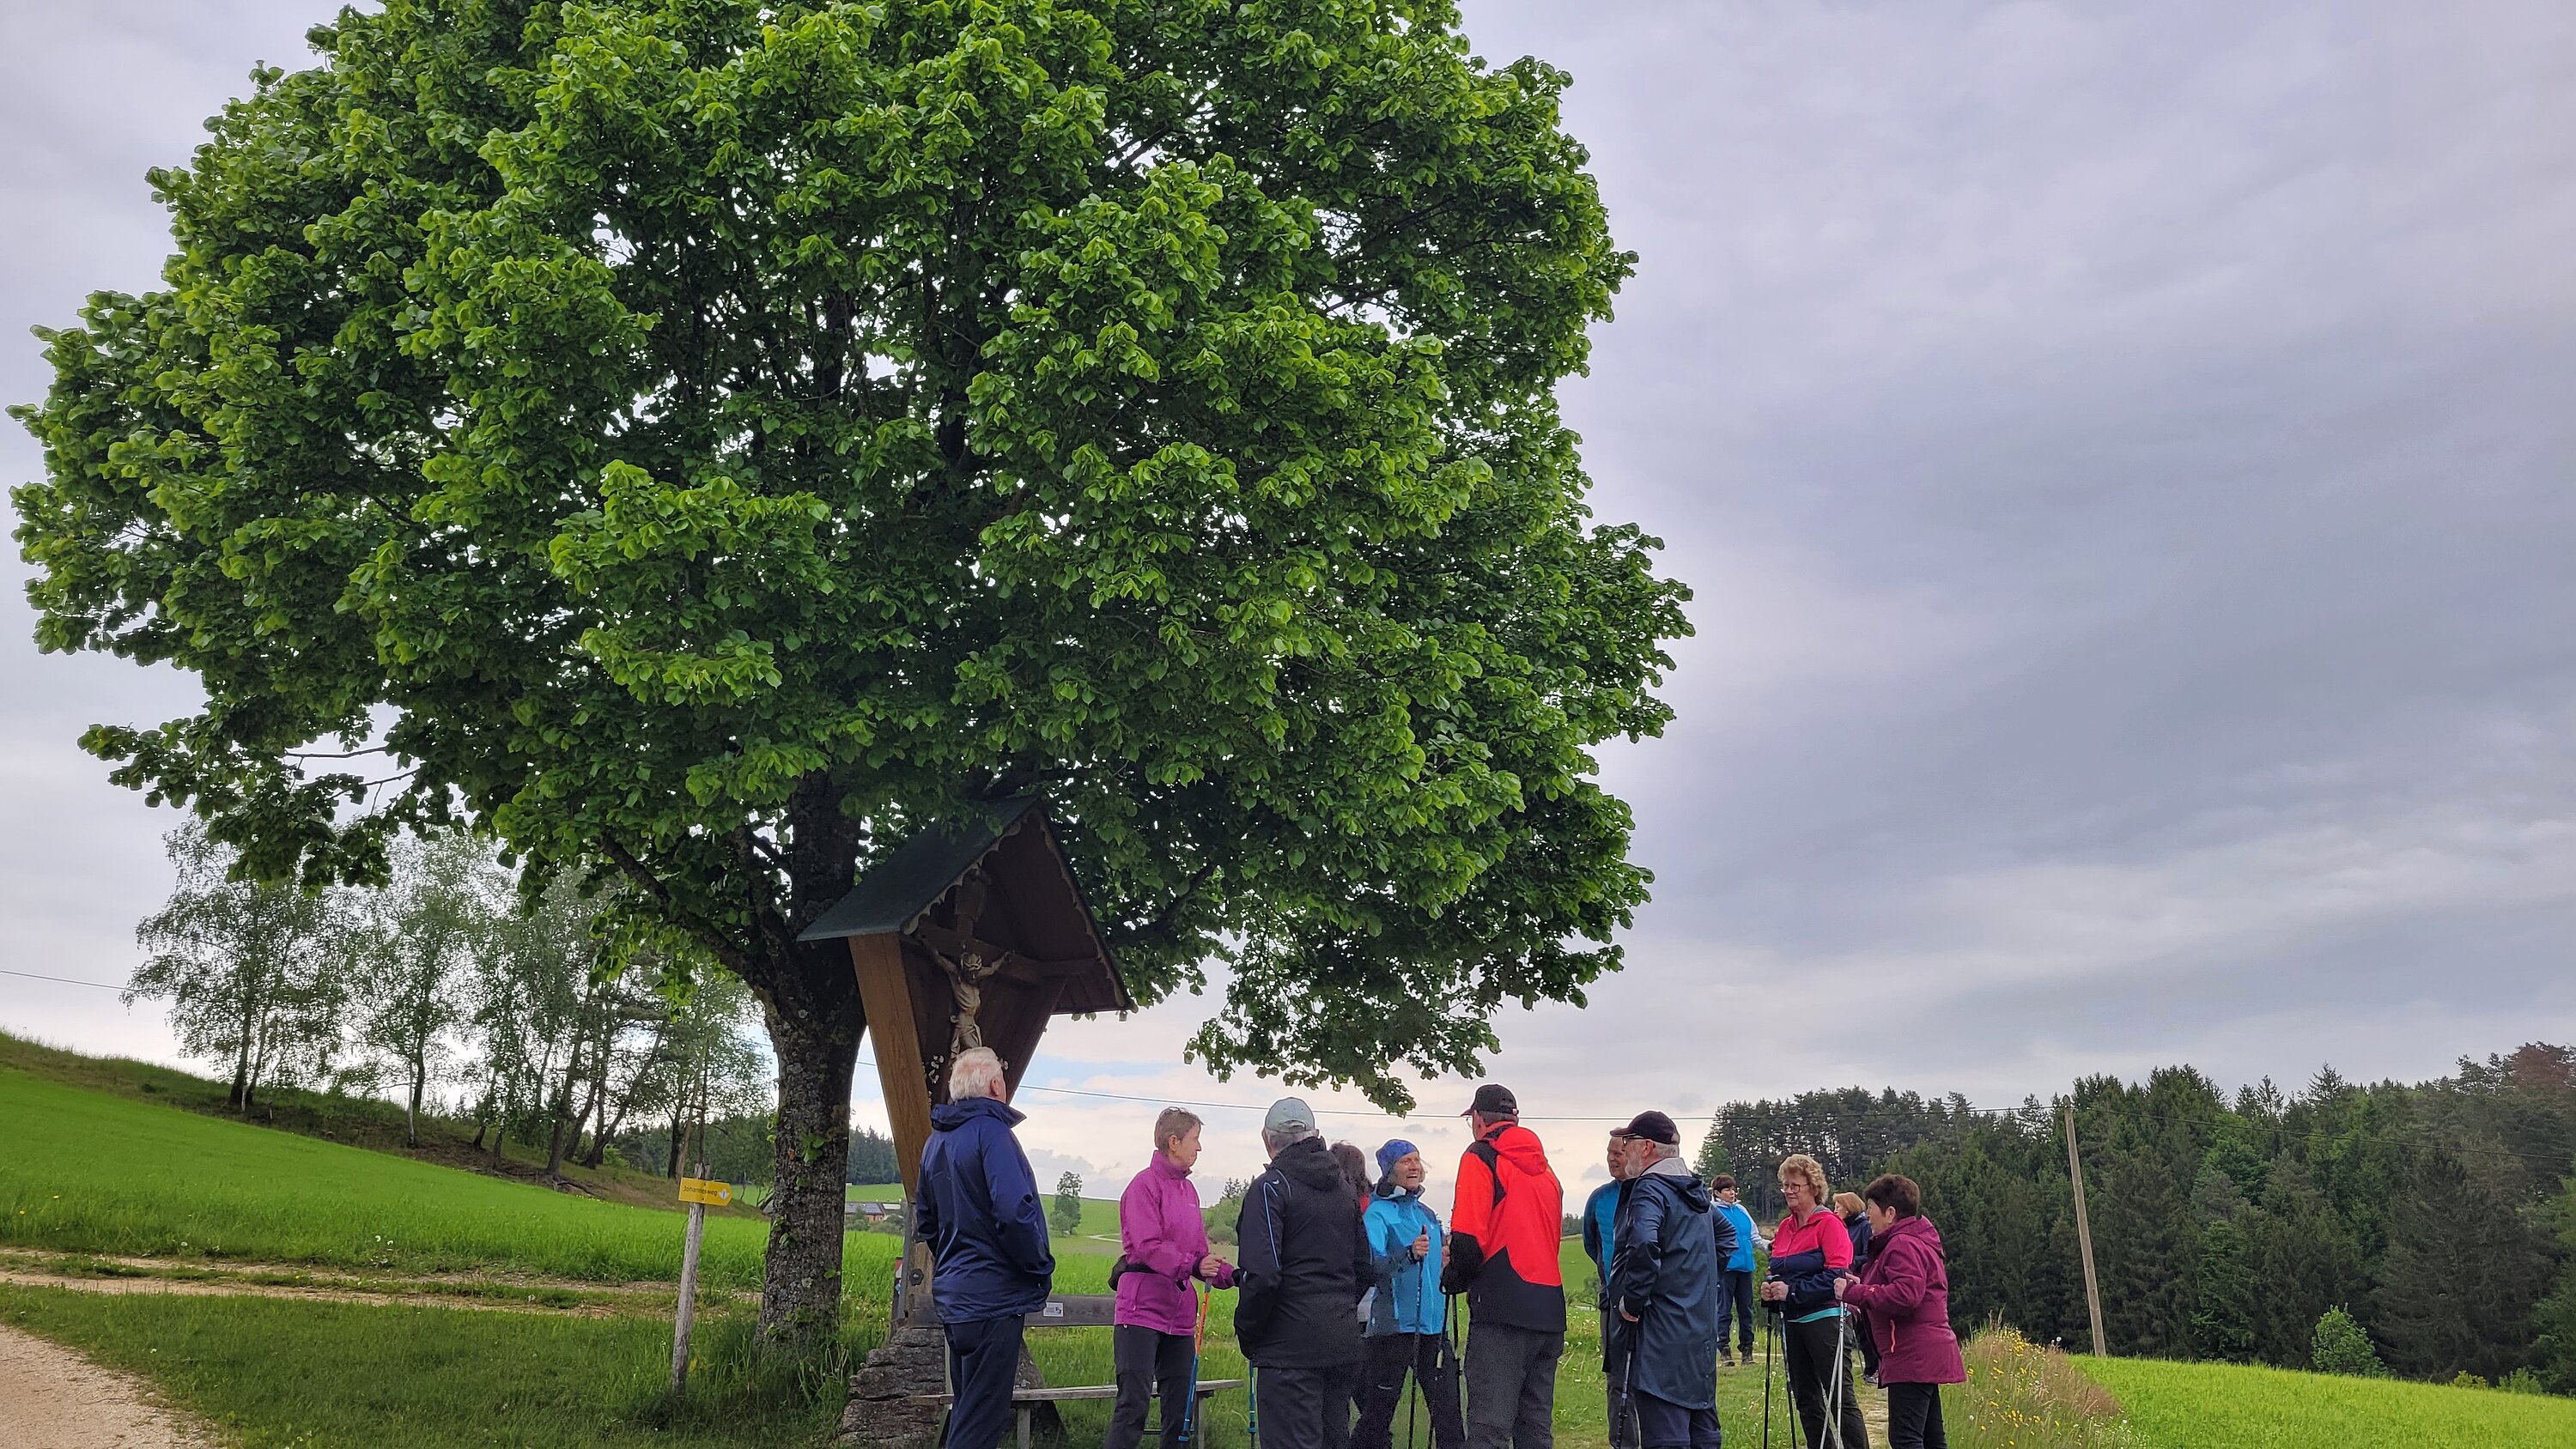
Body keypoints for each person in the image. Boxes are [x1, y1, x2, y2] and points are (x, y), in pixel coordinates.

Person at [914, 1047, 1055, 1449]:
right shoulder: (993, 1134)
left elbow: (927, 1221)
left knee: (968, 1411)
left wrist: (956, 1261)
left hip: (956, 1298)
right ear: (995, 1085)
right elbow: (1013, 1211)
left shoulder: (935, 1143)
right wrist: (1037, 1266)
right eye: (1003, 1079)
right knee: (981, 1424)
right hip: (993, 1298)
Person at [1236, 1098, 1370, 1449]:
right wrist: (1337, 1309)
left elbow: (1262, 1275)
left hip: (1287, 1350)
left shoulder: (1270, 1188)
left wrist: (1249, 1332)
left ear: (1268, 1140)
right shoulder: (1344, 1190)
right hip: (1340, 1343)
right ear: (1315, 1135)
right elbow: (1365, 1266)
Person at [1440, 1082, 1566, 1449]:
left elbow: (1468, 1239)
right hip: (1549, 1309)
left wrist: (1453, 1277)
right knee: (1535, 1430)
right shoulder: (1546, 1171)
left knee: (1489, 1430)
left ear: (1478, 1119)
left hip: (1502, 1309)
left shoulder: (1480, 1156)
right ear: (1515, 1119)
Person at [1109, 1107, 1236, 1449]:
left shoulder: (1189, 1191)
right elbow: (1148, 1247)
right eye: (1195, 1139)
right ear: (1173, 1141)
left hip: (1179, 1318)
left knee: (1180, 1413)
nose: (1199, 1147)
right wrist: (1193, 1266)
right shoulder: (1143, 1186)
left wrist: (1236, 1275)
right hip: (1140, 1311)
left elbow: (1200, 1252)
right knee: (1133, 1407)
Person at [1607, 1112, 1732, 1449]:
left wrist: (1632, 1302)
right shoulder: (1694, 1192)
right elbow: (1727, 1237)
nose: (1625, 1150)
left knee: (1666, 1433)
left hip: (1661, 1332)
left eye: (1629, 1142)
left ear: (1647, 1147)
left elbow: (1644, 1244)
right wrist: (1697, 1278)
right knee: (1703, 1431)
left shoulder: (1650, 1188)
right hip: (1698, 1328)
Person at [1836, 1174, 1965, 1449]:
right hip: (1924, 1352)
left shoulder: (1902, 1243)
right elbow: (1902, 1285)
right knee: (1930, 1439)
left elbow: (1907, 1295)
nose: (1867, 1215)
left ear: (1890, 1213)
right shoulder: (1914, 1240)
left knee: (1905, 1438)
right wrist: (1862, 1284)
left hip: (1911, 1354)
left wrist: (1853, 1293)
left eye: (1871, 1207)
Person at [1356, 1140, 1466, 1449]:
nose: (1415, 1166)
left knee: (1449, 1414)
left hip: (1433, 1329)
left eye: (1417, 1160)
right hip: (1393, 1330)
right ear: (1390, 1170)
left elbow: (1436, 1267)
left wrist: (1448, 1259)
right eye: (1406, 1161)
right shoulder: (1377, 1213)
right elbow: (1372, 1267)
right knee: (1377, 1415)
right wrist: (1408, 1254)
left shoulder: (1427, 1214)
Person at [1759, 1154, 1868, 1449]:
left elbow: (1837, 1277)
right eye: (1785, 1185)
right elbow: (1778, 1269)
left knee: (1839, 1399)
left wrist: (1791, 1291)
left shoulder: (1829, 1224)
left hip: (1826, 1320)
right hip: (1793, 1321)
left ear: (1813, 1187)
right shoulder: (1785, 1227)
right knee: (1806, 1399)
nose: (1788, 1191)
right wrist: (1770, 1288)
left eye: (1795, 1185)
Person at [1579, 1128, 1639, 1447]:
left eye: (1618, 1153)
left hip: (1651, 1303)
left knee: (1649, 1377)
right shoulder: (1599, 1198)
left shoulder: (1651, 1192)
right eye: (1609, 1153)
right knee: (1617, 1379)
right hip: (1612, 1302)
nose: (1612, 1159)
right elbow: (1592, 1245)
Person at [1832, 1190, 1882, 1386]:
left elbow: (1869, 1254)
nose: (1835, 1210)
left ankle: (1874, 1368)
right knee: (1855, 1326)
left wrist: (1850, 1262)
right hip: (1846, 1280)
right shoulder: (1842, 1228)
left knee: (1865, 1327)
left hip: (1862, 1281)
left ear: (1848, 1208)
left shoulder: (1863, 1227)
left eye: (1838, 1206)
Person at [1709, 1176, 1759, 1367]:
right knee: (1724, 1310)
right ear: (1717, 1193)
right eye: (1727, 1190)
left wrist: (1769, 1246)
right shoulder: (1713, 1211)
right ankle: (1724, 1349)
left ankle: (1747, 1350)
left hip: (1746, 1266)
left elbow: (1753, 1236)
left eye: (1733, 1189)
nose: (1732, 1193)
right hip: (1726, 1268)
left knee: (1746, 1310)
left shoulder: (1741, 1210)